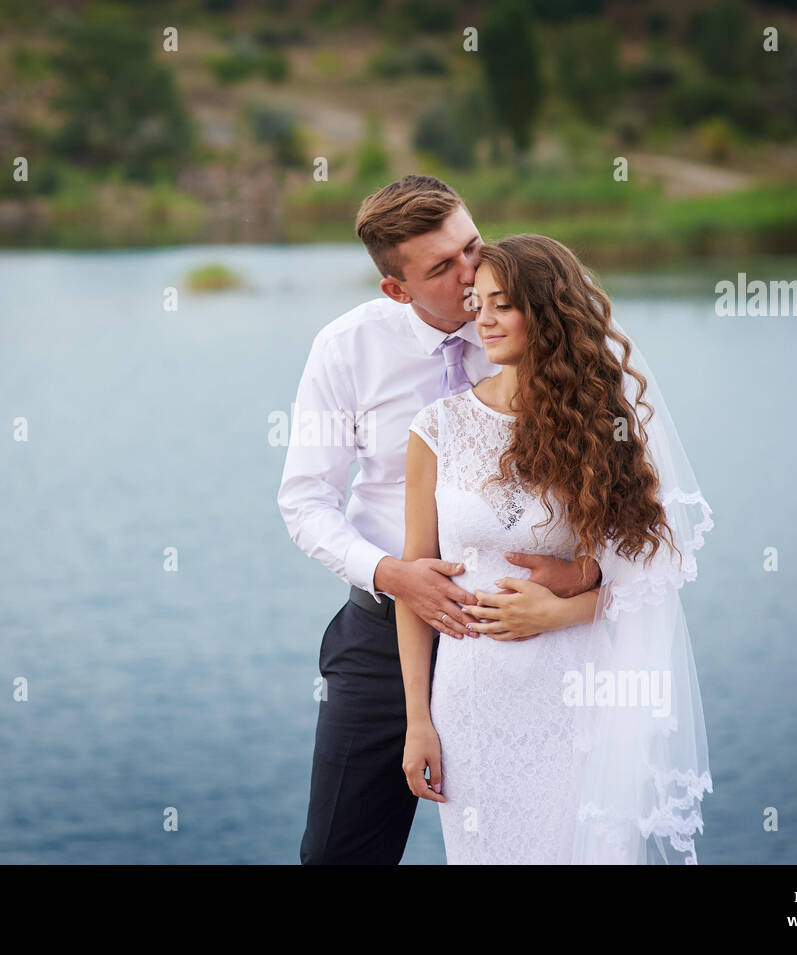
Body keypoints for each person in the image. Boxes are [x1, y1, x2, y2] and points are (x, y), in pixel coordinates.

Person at [278, 177, 603, 865]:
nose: (469, 275)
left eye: (471, 248)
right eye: (442, 268)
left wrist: (580, 578)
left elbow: (622, 512)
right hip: (383, 629)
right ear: (397, 290)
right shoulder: (346, 349)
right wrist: (393, 573)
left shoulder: (541, 329)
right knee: (339, 853)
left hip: (532, 633)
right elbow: (304, 502)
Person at [398, 234, 714, 864]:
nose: (482, 319)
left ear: (547, 312)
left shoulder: (607, 427)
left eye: (503, 305)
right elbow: (415, 583)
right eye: (476, 302)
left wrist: (558, 608)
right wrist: (418, 721)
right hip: (470, 704)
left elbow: (652, 579)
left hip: (577, 697)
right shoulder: (436, 429)